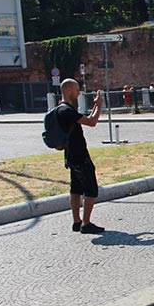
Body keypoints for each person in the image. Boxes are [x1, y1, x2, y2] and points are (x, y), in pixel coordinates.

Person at [56, 78, 105, 234]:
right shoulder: (67, 111)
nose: (78, 93)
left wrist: (94, 107)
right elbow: (91, 122)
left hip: (70, 155)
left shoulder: (61, 109)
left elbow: (85, 119)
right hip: (79, 155)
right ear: (68, 90)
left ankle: (77, 221)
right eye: (76, 90)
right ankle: (86, 223)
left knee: (75, 188)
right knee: (91, 189)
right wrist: (98, 105)